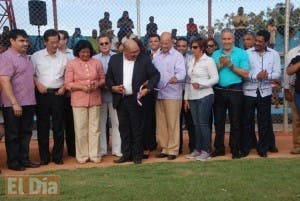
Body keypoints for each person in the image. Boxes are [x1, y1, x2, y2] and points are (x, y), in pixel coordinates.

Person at [106, 39, 160, 164]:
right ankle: (126, 154)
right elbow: (108, 78)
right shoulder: (115, 60)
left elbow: (155, 75)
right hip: (121, 99)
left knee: (137, 128)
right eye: (133, 52)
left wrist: (148, 89)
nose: (136, 54)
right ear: (124, 50)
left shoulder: (144, 59)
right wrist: (113, 87)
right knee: (124, 128)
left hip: (137, 99)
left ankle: (137, 156)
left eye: (137, 51)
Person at [0, 29, 39, 171]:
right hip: (13, 104)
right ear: (12, 41)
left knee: (26, 132)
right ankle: (13, 162)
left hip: (28, 101)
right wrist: (14, 102)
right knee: (13, 133)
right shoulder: (6, 57)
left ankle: (24, 159)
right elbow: (4, 80)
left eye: (26, 40)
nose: (25, 43)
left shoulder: (26, 58)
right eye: (21, 41)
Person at [241, 30, 281, 158]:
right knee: (247, 120)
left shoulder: (274, 54)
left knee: (264, 121)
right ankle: (246, 147)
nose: (257, 43)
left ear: (267, 42)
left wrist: (267, 76)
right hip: (249, 91)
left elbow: (278, 74)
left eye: (260, 41)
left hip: (265, 92)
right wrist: (256, 76)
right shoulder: (246, 53)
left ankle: (262, 148)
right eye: (256, 40)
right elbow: (244, 73)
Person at [211, 28, 249, 159]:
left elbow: (245, 73)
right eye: (224, 39)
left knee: (235, 120)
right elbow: (210, 73)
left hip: (235, 90)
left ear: (233, 39)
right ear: (221, 40)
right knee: (219, 121)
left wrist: (231, 66)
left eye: (229, 38)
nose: (226, 41)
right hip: (219, 90)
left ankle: (235, 148)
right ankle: (219, 148)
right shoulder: (215, 54)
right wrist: (221, 65)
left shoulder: (242, 53)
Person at [65, 40, 105, 163]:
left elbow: (103, 79)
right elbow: (67, 84)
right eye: (83, 52)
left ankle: (95, 155)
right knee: (80, 129)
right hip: (78, 101)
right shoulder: (71, 64)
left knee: (95, 128)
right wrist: (82, 87)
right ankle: (82, 156)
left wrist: (97, 84)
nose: (86, 55)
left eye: (87, 52)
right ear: (78, 52)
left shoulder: (97, 63)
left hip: (95, 99)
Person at [31, 29, 67, 165]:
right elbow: (31, 74)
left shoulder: (63, 57)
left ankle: (58, 156)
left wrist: (64, 87)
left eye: (56, 42)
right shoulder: (36, 56)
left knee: (58, 126)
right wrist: (37, 84)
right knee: (43, 126)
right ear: (44, 42)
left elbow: (67, 75)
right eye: (51, 42)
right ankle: (44, 157)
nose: (54, 45)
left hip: (58, 94)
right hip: (42, 94)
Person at [153, 32, 186, 160]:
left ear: (171, 42)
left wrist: (176, 78)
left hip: (173, 94)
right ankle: (164, 147)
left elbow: (182, 73)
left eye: (166, 43)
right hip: (159, 94)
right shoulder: (156, 56)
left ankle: (173, 149)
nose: (164, 45)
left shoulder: (177, 56)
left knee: (173, 123)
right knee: (161, 123)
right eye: (162, 43)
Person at [185, 38, 219, 161]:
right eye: (191, 47)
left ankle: (206, 150)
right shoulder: (191, 60)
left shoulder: (208, 61)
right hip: (192, 96)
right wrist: (186, 98)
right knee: (196, 124)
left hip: (205, 95)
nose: (192, 49)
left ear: (202, 48)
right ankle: (197, 149)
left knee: (203, 124)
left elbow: (215, 78)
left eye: (195, 47)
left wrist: (202, 84)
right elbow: (188, 81)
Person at [93, 34, 122, 157]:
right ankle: (102, 149)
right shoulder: (94, 59)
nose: (104, 45)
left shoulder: (117, 57)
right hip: (99, 95)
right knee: (100, 123)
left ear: (110, 44)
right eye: (101, 44)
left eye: (106, 43)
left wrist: (111, 86)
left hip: (114, 94)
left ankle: (117, 149)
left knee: (116, 123)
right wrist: (102, 84)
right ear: (98, 46)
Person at [175, 38, 195, 154]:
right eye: (179, 46)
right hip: (175, 93)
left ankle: (193, 147)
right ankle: (177, 147)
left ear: (187, 47)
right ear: (175, 46)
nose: (181, 48)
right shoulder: (172, 58)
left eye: (184, 46)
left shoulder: (191, 58)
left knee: (190, 121)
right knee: (176, 122)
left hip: (188, 93)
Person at [58, 30, 76, 157]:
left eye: (60, 39)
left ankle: (72, 150)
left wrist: (66, 86)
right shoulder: (49, 54)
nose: (58, 41)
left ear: (65, 40)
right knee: (58, 123)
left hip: (70, 94)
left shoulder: (72, 55)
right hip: (56, 93)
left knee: (71, 123)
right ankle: (58, 151)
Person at [284, 44, 300, 154]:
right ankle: (298, 145)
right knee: (297, 119)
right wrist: (286, 89)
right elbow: (288, 71)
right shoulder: (295, 54)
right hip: (297, 91)